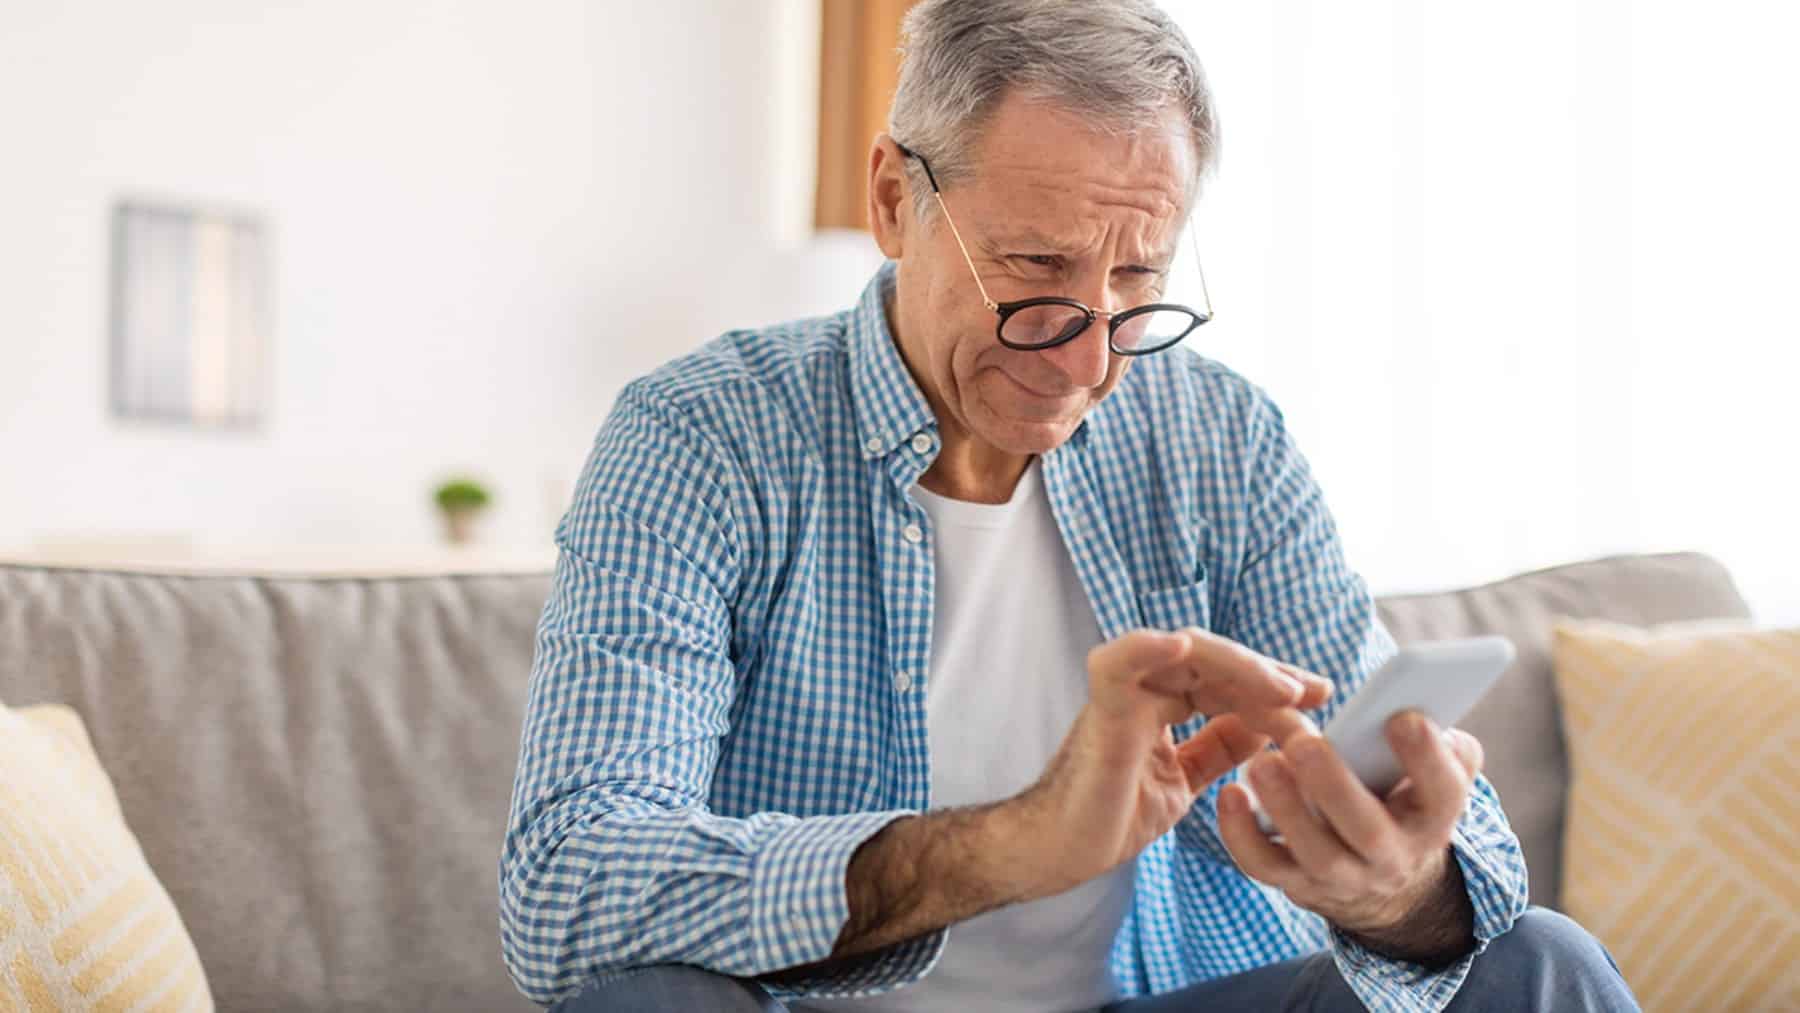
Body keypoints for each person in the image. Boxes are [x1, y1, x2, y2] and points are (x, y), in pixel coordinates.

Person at [499, 2, 1639, 1010]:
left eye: (1137, 281)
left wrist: (1400, 888)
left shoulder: (1217, 437)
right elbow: (570, 885)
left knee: (1535, 962)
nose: (1088, 355)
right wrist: (1015, 844)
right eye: (1037, 268)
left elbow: (1469, 862)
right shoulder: (703, 436)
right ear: (895, 198)